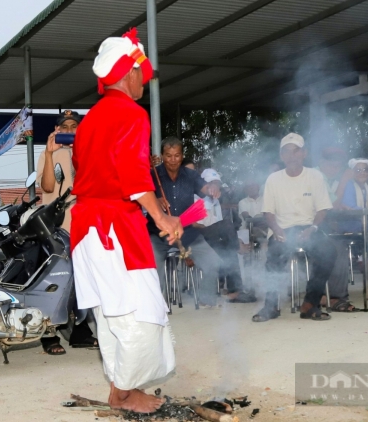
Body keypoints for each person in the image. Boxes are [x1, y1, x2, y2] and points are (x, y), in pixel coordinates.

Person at [71, 28, 182, 414]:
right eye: (141, 72)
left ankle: (122, 388)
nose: (143, 81)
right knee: (140, 311)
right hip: (113, 229)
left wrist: (157, 214)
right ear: (129, 72)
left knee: (111, 313)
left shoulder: (90, 120)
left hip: (87, 229)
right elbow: (134, 179)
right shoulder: (131, 115)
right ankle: (125, 393)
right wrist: (163, 219)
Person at [253, 133, 356, 323]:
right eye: (287, 152)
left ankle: (310, 303)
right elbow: (268, 212)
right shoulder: (273, 179)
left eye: (296, 151)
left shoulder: (315, 176)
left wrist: (313, 228)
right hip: (281, 228)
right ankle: (271, 306)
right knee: (275, 254)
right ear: (281, 155)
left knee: (328, 252)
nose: (292, 156)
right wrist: (276, 229)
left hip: (309, 228)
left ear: (304, 154)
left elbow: (322, 209)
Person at [36, 110, 96, 355]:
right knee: (54, 280)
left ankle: (81, 331)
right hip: (57, 227)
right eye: (66, 126)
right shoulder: (50, 153)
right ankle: (49, 333)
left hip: (84, 224)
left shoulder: (90, 150)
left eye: (75, 126)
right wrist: (50, 154)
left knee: (84, 280)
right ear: (57, 129)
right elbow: (48, 186)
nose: (71, 130)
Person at [149, 137, 228, 307]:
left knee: (213, 263)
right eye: (168, 156)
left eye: (177, 155)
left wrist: (212, 189)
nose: (173, 160)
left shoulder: (190, 175)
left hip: (187, 233)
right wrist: (156, 200)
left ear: (182, 155)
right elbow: (141, 194)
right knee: (151, 271)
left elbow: (205, 188)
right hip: (158, 234)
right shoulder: (152, 174)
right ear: (162, 156)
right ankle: (155, 307)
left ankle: (206, 299)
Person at [195, 169, 256, 302]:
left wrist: (235, 239)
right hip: (199, 238)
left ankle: (235, 291)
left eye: (217, 183)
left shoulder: (215, 200)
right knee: (227, 225)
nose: (215, 187)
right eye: (212, 183)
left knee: (229, 252)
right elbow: (196, 225)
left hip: (214, 237)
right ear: (204, 184)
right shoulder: (196, 198)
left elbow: (219, 226)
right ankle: (235, 289)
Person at [339, 158, 368, 261]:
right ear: (352, 173)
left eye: (365, 170)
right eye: (358, 170)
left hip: (366, 222)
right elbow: (351, 208)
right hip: (351, 223)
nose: (362, 173)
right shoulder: (348, 186)